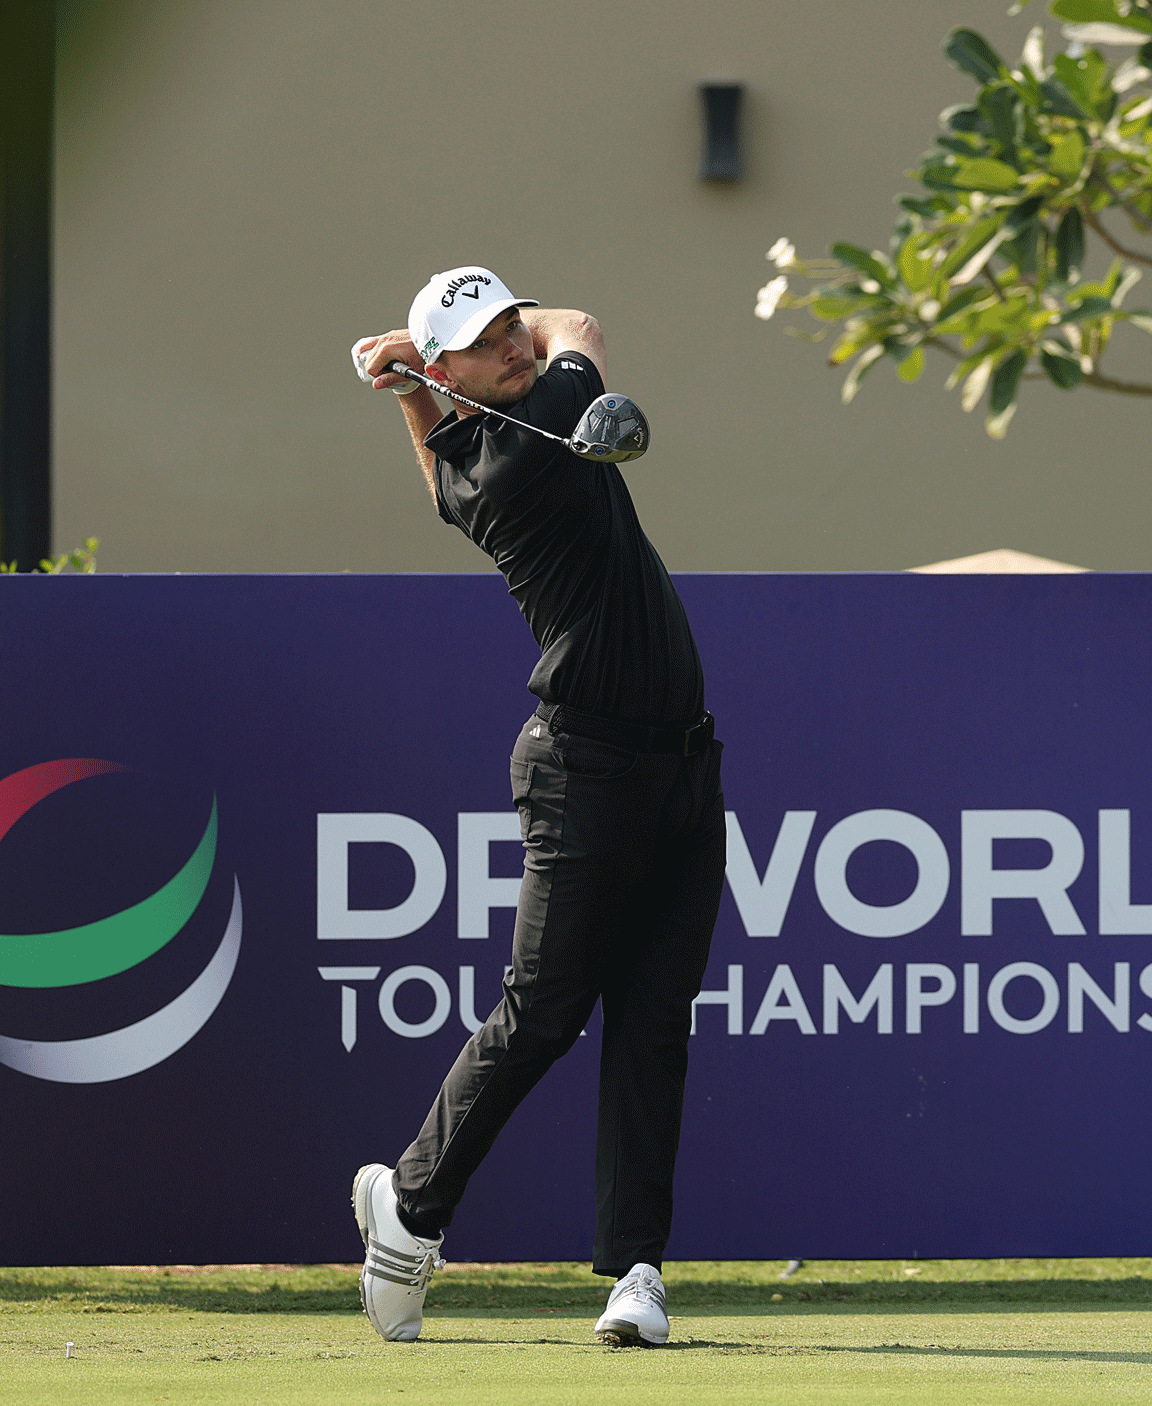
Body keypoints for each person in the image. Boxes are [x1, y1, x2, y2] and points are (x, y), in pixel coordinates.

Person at [343, 266, 725, 1347]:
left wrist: (418, 385)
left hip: (684, 768)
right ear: (462, 372)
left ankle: (636, 1273)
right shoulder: (526, 441)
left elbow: (433, 479)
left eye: (513, 323)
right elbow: (586, 323)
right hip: (586, 769)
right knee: (544, 1010)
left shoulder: (466, 451)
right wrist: (439, 367)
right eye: (486, 341)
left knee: (654, 1023)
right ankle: (409, 1207)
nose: (516, 344)